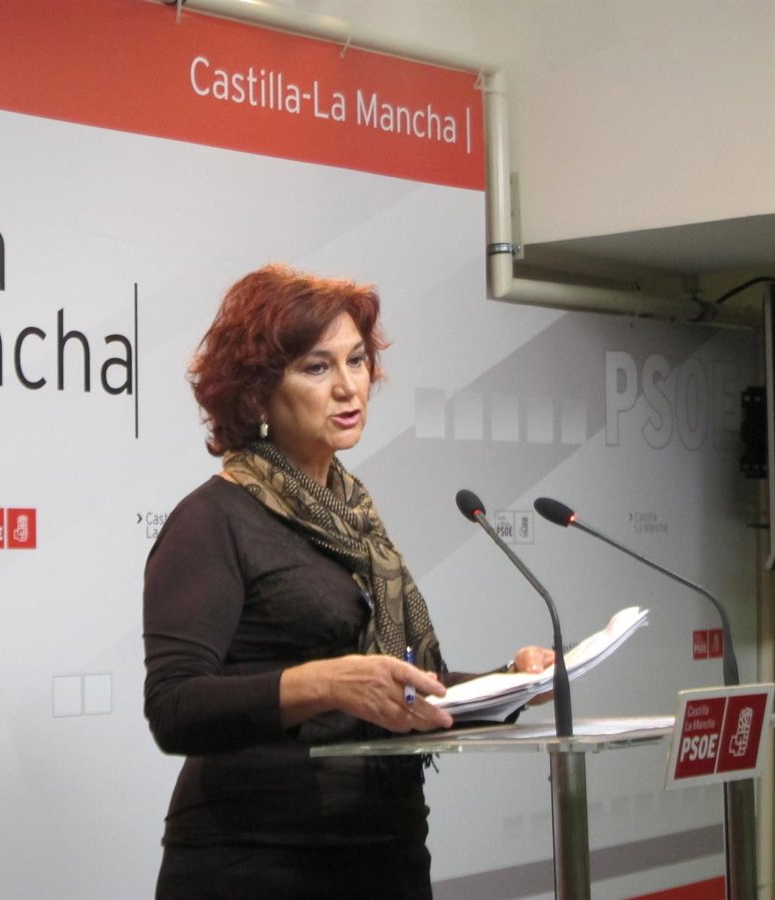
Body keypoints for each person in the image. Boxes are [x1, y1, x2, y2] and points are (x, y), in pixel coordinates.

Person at [142, 264, 554, 899]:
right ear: (256, 393)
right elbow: (175, 707)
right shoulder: (212, 519)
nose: (348, 386)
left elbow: (395, 692)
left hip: (385, 851)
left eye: (356, 361)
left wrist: (512, 682)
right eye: (317, 367)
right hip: (257, 861)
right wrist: (326, 683)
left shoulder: (355, 518)